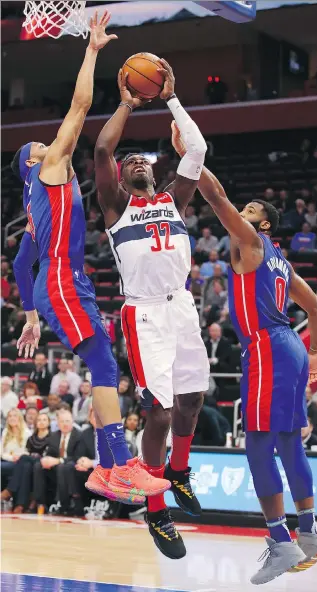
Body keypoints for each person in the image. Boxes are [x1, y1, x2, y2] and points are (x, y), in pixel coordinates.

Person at [10, 12, 169, 505]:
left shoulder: (37, 207)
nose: (47, 141)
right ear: (34, 161)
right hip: (62, 280)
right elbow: (80, 105)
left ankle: (112, 467)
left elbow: (20, 265)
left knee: (103, 364)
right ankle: (116, 466)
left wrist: (32, 316)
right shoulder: (51, 167)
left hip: (58, 282)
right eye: (39, 144)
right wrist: (93, 50)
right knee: (102, 361)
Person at [171, 121, 317, 582]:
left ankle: (280, 542)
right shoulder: (280, 257)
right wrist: (315, 354)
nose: (242, 209)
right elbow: (316, 308)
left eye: (250, 208)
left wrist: (192, 156)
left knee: (257, 445)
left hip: (267, 348)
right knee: (288, 442)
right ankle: (311, 533)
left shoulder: (251, 243)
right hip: (292, 348)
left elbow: (216, 197)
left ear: (259, 224)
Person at [94, 59, 209, 559]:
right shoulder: (117, 207)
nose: (138, 163)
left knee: (193, 400)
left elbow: (199, 149)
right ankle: (156, 511)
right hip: (143, 314)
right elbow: (101, 148)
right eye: (131, 162)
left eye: (146, 160)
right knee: (158, 412)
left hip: (182, 305)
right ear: (121, 177)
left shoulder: (174, 199)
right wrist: (126, 102)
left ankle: (178, 472)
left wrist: (172, 99)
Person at [1, 413, 50, 513]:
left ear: (48, 422)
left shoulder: (52, 437)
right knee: (26, 466)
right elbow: (28, 451)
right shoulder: (32, 438)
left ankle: (9, 490)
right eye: (39, 420)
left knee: (24, 458)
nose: (41, 422)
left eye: (44, 420)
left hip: (43, 462)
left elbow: (48, 454)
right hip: (31, 463)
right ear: (36, 423)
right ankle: (20, 505)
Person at [1, 409, 31, 488]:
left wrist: (18, 457)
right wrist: (11, 457)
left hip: (20, 462)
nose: (12, 418)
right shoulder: (5, 431)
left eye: (15, 416)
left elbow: (28, 452)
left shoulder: (27, 433)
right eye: (10, 416)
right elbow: (1, 452)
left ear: (19, 418)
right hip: (7, 460)